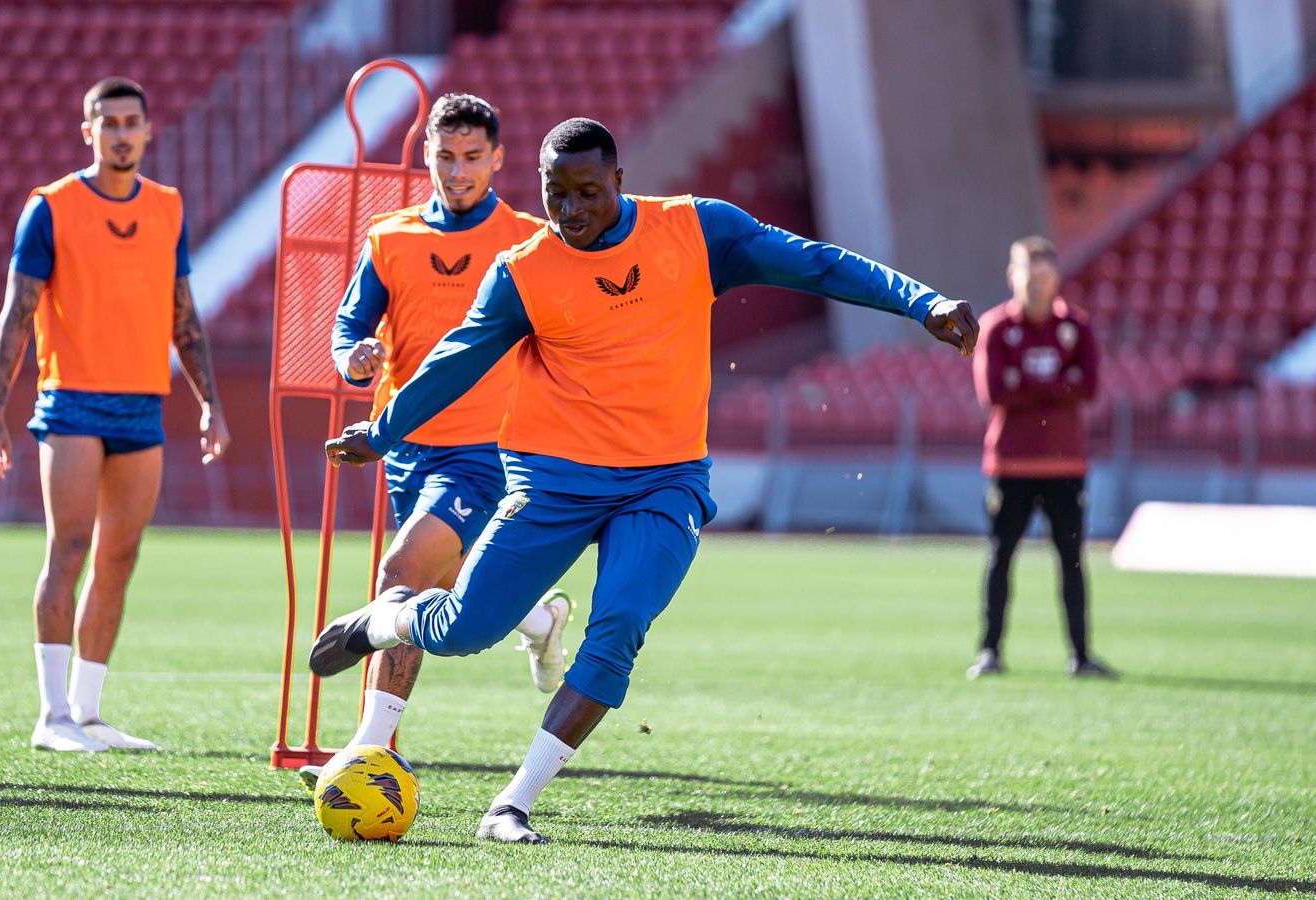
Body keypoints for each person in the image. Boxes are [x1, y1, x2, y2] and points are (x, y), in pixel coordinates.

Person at [312, 118, 979, 842]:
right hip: (553, 480)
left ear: (620, 182)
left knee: (619, 628)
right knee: (465, 631)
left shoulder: (696, 231)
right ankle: (387, 618)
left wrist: (923, 302)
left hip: (664, 482)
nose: (569, 211)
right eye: (555, 194)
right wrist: (379, 434)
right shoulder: (522, 272)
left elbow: (814, 262)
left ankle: (511, 804)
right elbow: (454, 362)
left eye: (588, 193)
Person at [304, 94, 568, 788]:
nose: (458, 171)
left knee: (399, 576)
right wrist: (351, 355)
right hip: (403, 449)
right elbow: (347, 324)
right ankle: (540, 620)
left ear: (498, 160)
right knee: (447, 583)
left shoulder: (526, 240)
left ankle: (367, 749)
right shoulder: (390, 238)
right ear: (427, 156)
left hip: (487, 452)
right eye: (445, 157)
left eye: (472, 157)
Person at [0, 77, 229, 753]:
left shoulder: (168, 208)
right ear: (87, 130)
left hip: (143, 404)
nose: (120, 133)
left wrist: (210, 405)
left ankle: (87, 712)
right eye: (107, 122)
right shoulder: (51, 208)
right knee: (70, 547)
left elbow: (184, 315)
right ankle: (50, 714)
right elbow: (17, 313)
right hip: (72, 402)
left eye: (131, 122)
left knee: (120, 556)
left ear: (148, 131)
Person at [967, 236, 1112, 680]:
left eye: (1046, 276)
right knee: (1001, 557)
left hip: (1065, 464)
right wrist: (1056, 387)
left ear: (1057, 280)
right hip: (1011, 464)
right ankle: (990, 651)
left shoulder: (1078, 327)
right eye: (1030, 275)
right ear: (1013, 277)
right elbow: (993, 392)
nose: (1037, 285)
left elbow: (1088, 387)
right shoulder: (994, 328)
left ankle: (1081, 655)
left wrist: (1025, 382)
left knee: (1071, 560)